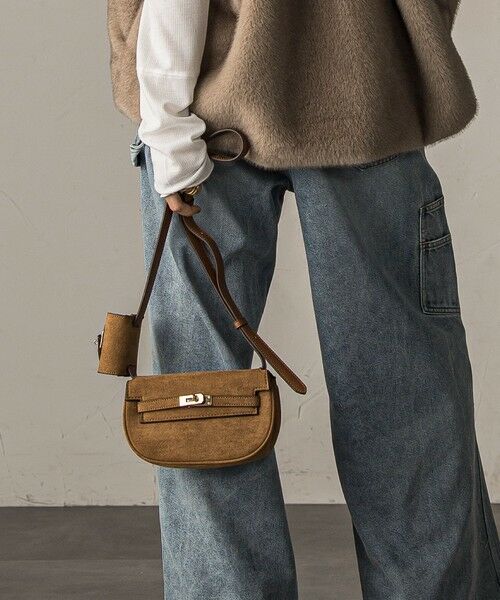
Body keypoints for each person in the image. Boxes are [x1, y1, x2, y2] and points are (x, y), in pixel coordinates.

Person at [109, 0, 500, 598]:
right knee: (402, 385)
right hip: (364, 84)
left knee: (199, 397)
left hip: (208, 106)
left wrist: (166, 123)